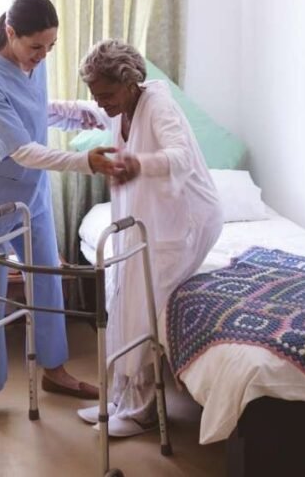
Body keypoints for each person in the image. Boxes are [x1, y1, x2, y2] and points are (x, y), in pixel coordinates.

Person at [0, 0, 122, 436]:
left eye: (51, 46)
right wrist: (85, 162)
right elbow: (22, 149)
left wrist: (75, 114)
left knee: (47, 277)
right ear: (11, 34)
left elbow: (34, 110)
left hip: (33, 194)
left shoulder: (35, 60)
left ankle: (54, 369)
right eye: (36, 47)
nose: (44, 55)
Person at [55, 39, 223, 437]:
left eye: (107, 94)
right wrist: (36, 108)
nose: (102, 102)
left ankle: (144, 411)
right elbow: (85, 113)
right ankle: (122, 398)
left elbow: (180, 156)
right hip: (150, 218)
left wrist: (138, 163)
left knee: (141, 306)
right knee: (122, 294)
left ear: (130, 83)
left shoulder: (158, 104)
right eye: (96, 94)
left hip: (186, 221)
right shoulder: (118, 107)